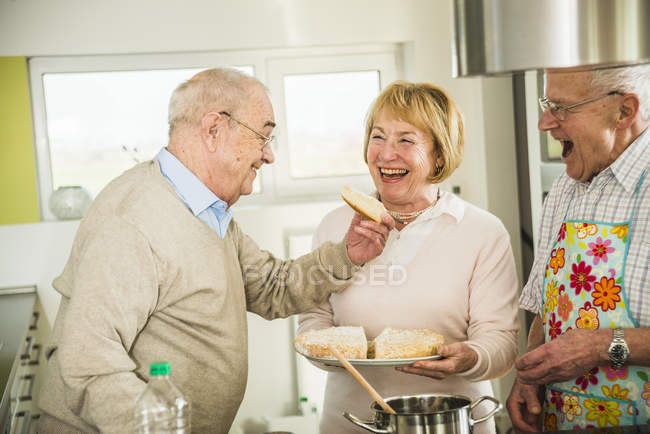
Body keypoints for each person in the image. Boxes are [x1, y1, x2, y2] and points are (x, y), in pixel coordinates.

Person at [36, 68, 394, 433]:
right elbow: (86, 359)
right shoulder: (133, 220)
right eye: (263, 137)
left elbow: (271, 286)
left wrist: (348, 255)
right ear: (213, 130)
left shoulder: (209, 212)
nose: (269, 156)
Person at [298, 81, 520, 434]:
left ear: (440, 155)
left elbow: (501, 342)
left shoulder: (482, 231)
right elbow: (313, 321)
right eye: (378, 136)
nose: (386, 154)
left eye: (405, 140)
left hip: (449, 422)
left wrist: (471, 357)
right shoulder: (334, 225)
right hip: (351, 423)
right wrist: (331, 350)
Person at [506, 64, 650, 432]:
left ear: (625, 111)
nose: (544, 122)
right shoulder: (565, 187)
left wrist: (601, 347)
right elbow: (547, 301)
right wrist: (530, 375)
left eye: (562, 107)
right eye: (546, 103)